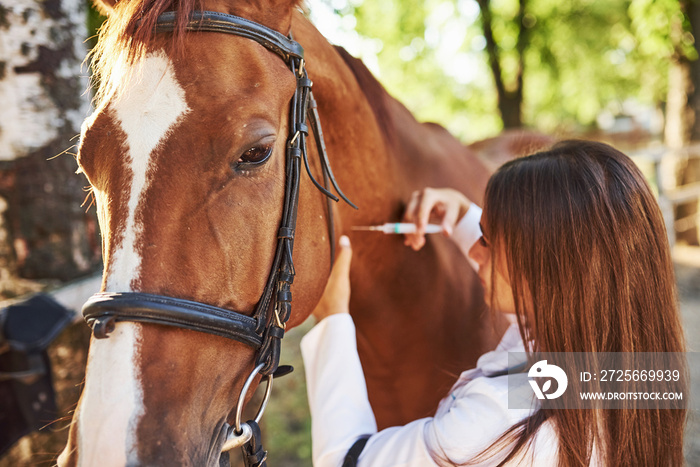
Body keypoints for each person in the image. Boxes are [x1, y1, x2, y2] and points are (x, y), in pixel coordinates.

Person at [301, 140, 687, 466]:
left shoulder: (492, 424)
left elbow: (347, 458)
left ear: (543, 270)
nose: (476, 252)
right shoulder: (633, 372)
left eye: (487, 240)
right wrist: (463, 217)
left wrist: (333, 320)